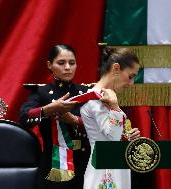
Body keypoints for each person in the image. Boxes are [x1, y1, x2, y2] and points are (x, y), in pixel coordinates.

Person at [19, 44, 90, 189]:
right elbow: (24, 117)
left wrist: (74, 120)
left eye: (72, 63)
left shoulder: (86, 92)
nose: (68, 67)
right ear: (49, 65)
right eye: (61, 63)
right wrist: (48, 109)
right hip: (53, 164)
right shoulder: (42, 92)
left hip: (85, 163)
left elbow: (100, 124)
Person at [80, 47, 141, 189]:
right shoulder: (94, 100)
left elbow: (116, 137)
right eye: (130, 76)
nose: (131, 83)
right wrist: (114, 106)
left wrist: (127, 137)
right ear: (116, 68)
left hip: (117, 165)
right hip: (103, 168)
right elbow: (112, 135)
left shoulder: (106, 97)